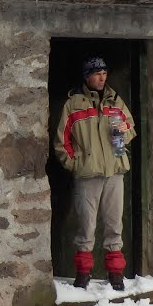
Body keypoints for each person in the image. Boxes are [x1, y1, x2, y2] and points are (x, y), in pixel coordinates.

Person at [54, 56, 136, 291]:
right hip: (87, 175)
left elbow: (130, 127)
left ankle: (116, 274)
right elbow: (61, 141)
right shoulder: (74, 104)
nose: (102, 77)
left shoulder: (116, 101)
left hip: (114, 173)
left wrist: (125, 129)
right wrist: (75, 164)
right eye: (97, 73)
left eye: (105, 73)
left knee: (114, 225)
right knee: (86, 227)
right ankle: (83, 273)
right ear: (87, 76)